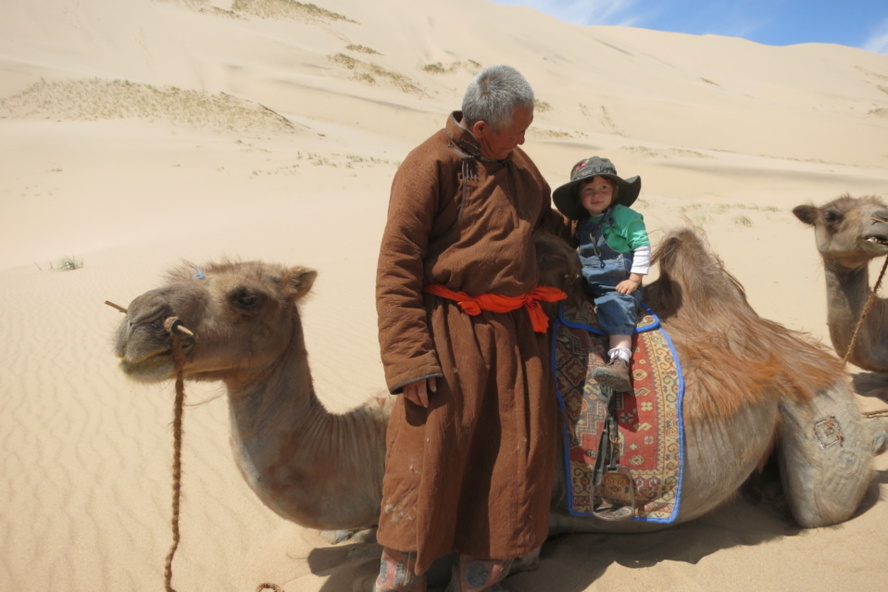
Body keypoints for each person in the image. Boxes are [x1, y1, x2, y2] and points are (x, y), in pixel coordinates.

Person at [374, 65, 566, 592]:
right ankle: (395, 580)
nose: (525, 138)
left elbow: (545, 225)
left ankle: (475, 582)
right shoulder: (427, 165)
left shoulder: (520, 164)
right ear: (482, 129)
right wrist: (410, 359)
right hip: (448, 334)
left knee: (510, 463)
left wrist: (591, 212)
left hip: (516, 339)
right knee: (426, 459)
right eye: (517, 130)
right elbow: (397, 266)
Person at [552, 156, 650, 392]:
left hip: (617, 284)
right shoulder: (583, 222)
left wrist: (634, 279)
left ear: (614, 191)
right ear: (580, 197)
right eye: (588, 189)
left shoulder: (625, 217)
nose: (597, 194)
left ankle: (620, 362)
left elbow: (642, 246)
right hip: (589, 282)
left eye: (603, 188)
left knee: (617, 308)